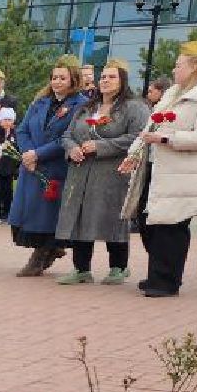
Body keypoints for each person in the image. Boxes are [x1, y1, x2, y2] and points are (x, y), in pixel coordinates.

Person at [120, 41, 197, 297]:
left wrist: (168, 139)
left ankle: (166, 282)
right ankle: (158, 274)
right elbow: (151, 128)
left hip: (185, 175)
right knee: (149, 224)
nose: (174, 69)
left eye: (178, 64)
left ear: (195, 67)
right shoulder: (172, 96)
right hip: (158, 171)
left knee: (171, 229)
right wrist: (134, 153)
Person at [53, 58, 148, 285]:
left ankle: (118, 266)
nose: (105, 80)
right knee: (80, 217)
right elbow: (67, 134)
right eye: (103, 76)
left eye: (111, 76)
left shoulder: (134, 107)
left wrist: (101, 146)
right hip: (81, 172)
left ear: (123, 80)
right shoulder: (86, 107)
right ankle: (81, 269)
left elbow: (137, 138)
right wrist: (72, 148)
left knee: (112, 217)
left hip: (112, 174)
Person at [9, 54, 84, 277]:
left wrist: (38, 154)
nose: (57, 82)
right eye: (54, 77)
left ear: (73, 79)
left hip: (54, 167)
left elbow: (68, 137)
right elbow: (22, 129)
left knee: (47, 216)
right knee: (28, 212)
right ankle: (48, 249)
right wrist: (27, 153)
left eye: (62, 77)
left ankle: (43, 253)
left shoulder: (79, 105)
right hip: (31, 167)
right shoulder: (39, 102)